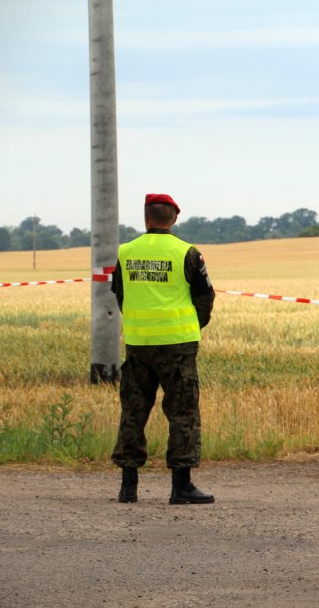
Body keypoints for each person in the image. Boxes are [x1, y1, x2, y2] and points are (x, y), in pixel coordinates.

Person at [111, 193, 216, 505]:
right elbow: (205, 297)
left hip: (138, 344)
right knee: (182, 412)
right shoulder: (187, 252)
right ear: (174, 219)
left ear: (146, 218)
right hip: (178, 346)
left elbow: (119, 294)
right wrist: (193, 325)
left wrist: (138, 323)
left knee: (133, 410)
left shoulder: (125, 251)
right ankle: (181, 486)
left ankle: (128, 487)